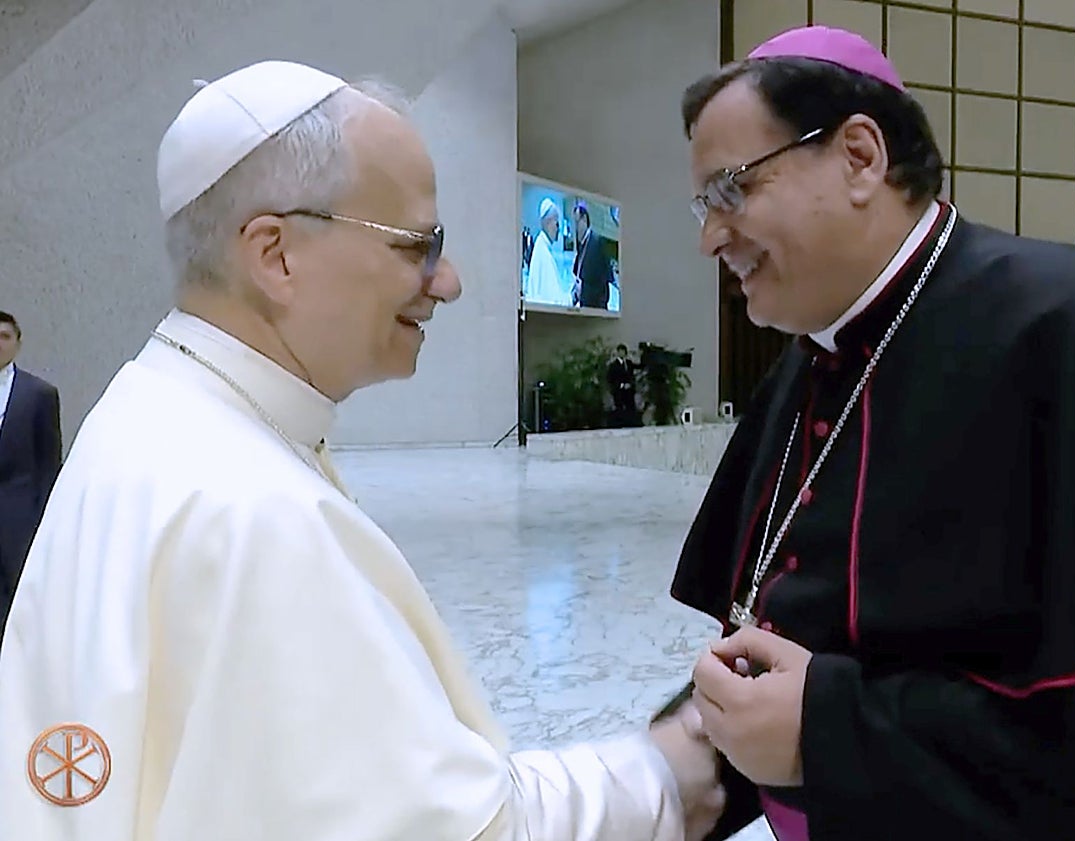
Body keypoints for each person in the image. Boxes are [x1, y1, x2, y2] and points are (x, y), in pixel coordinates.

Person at [0, 61, 723, 841]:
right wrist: (660, 774)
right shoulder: (251, 512)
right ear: (275, 255)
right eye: (419, 243)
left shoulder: (151, 409)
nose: (448, 282)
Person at [666, 25, 1075, 841]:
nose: (710, 236)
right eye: (704, 205)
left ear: (859, 156)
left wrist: (831, 730)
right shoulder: (806, 368)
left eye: (731, 190)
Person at [0, 311, 61, 639]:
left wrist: (44, 524)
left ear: (18, 344)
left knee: (17, 613)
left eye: (4, 337)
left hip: (18, 524)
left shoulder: (39, 395)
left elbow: (49, 465)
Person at [526, 198, 571, 307]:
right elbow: (554, 302)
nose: (559, 229)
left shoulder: (542, 246)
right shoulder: (543, 253)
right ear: (547, 222)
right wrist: (572, 296)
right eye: (557, 224)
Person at [573, 202, 613, 310]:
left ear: (584, 219)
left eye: (577, 223)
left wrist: (583, 290)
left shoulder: (597, 243)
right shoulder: (582, 243)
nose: (575, 228)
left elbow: (603, 284)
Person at [606, 343, 638, 427]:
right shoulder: (613, 365)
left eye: (623, 351)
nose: (621, 353)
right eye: (620, 351)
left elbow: (633, 374)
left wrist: (630, 384)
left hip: (629, 389)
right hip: (619, 390)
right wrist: (620, 385)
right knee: (619, 407)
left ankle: (631, 423)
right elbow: (610, 378)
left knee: (630, 406)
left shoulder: (629, 363)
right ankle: (620, 423)